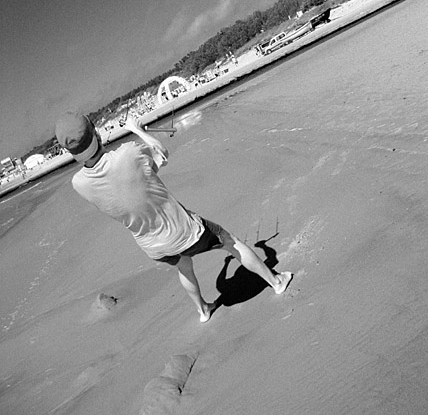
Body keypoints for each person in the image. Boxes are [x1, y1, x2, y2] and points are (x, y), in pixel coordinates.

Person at [56, 112, 292, 322]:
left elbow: (127, 181)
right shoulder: (128, 153)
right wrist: (137, 130)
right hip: (184, 231)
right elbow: (162, 155)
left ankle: (203, 310)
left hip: (153, 247)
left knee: (184, 267)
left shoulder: (79, 184)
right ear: (96, 133)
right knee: (230, 242)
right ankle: (277, 282)